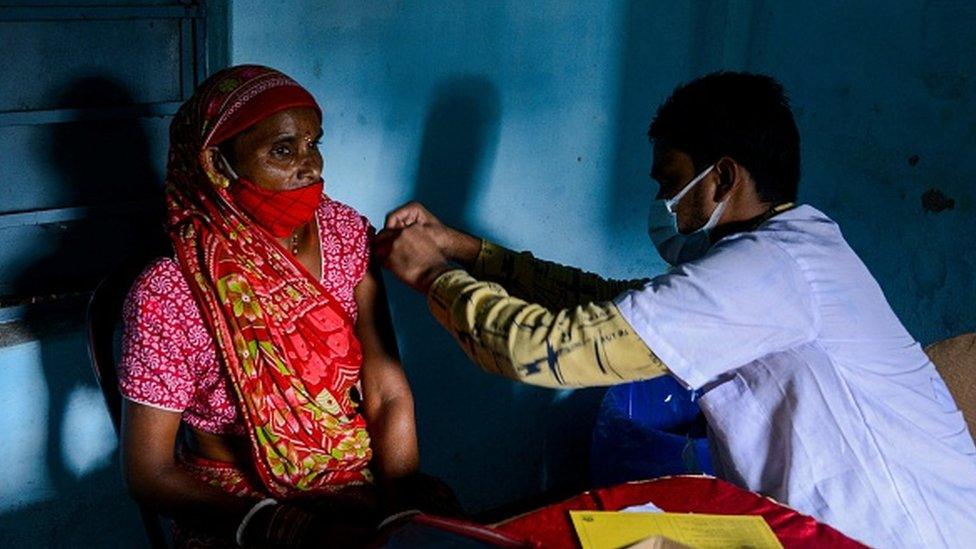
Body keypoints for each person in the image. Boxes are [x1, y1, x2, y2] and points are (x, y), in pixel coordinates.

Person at [376, 72, 976, 548]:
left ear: (722, 179)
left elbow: (538, 350)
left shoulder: (766, 271)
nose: (664, 202)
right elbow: (612, 304)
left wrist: (433, 274)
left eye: (671, 182)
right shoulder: (791, 250)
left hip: (897, 533)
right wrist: (468, 250)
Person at [117, 65, 454, 548]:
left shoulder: (342, 234)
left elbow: (386, 391)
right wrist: (281, 525)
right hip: (237, 500)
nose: (311, 165)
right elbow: (148, 472)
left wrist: (402, 506)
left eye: (314, 144)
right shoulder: (171, 292)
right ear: (217, 163)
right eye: (282, 150)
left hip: (352, 476)